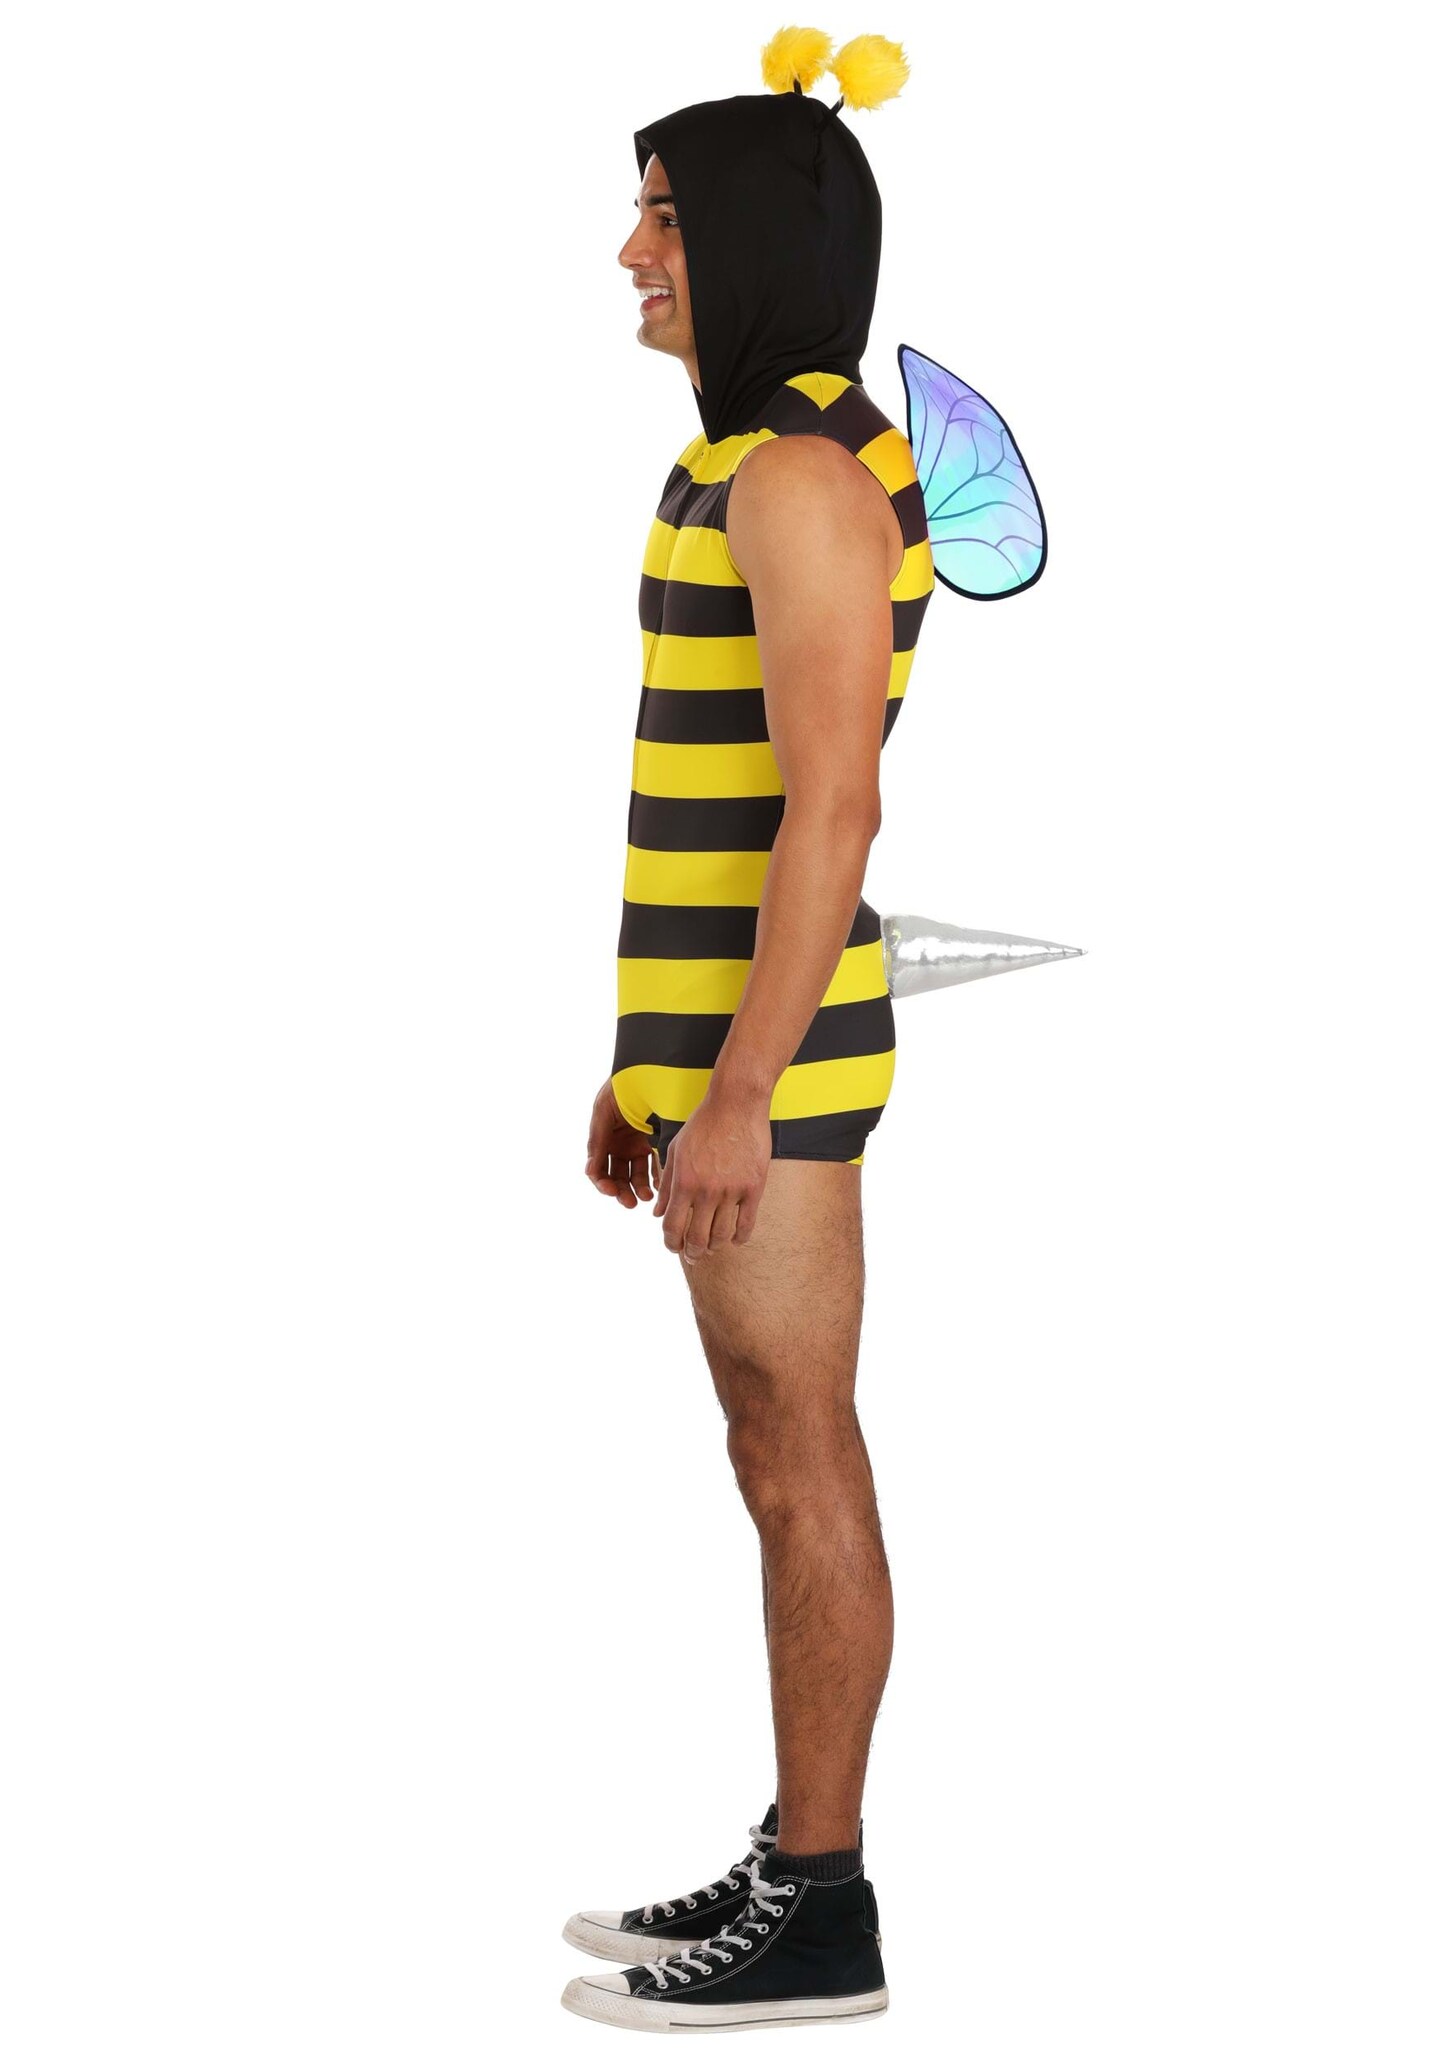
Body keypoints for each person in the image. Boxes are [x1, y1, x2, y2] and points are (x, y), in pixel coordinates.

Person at [571, 39, 934, 2033]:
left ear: (757, 246)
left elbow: (833, 811)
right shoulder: (745, 460)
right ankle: (799, 1842)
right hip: (720, 1058)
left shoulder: (797, 478)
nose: (635, 252)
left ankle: (825, 1905)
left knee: (801, 1455)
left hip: (773, 1073)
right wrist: (646, 1063)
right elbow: (709, 803)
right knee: (770, 1447)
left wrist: (736, 1089)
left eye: (668, 218)